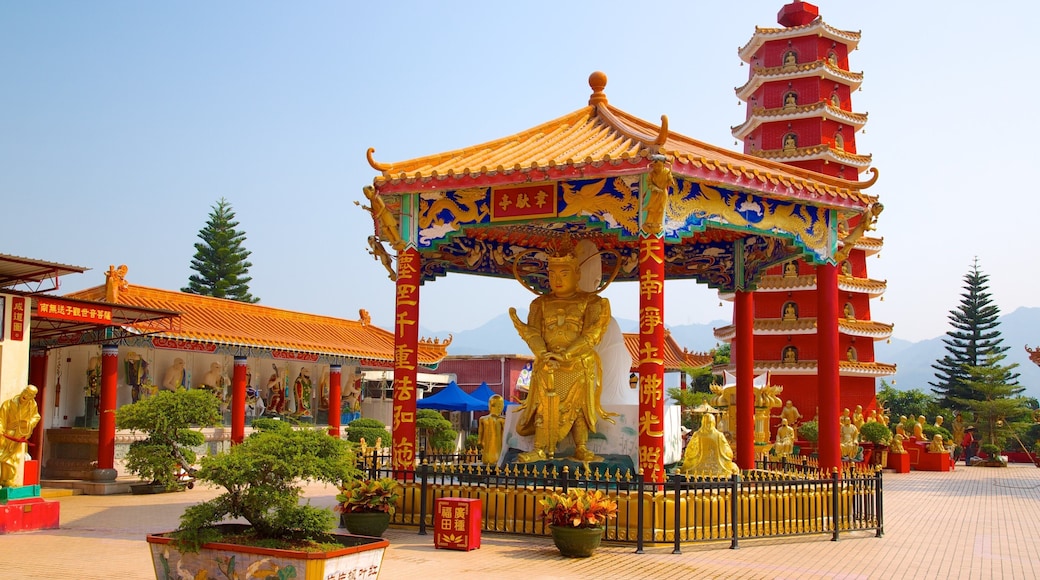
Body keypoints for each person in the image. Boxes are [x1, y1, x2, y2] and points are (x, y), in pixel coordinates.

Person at [509, 241, 615, 462]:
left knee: (578, 408)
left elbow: (592, 333)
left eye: (564, 273)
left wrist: (568, 354)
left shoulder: (592, 302)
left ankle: (582, 446)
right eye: (552, 274)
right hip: (547, 364)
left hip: (577, 363)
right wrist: (543, 352)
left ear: (577, 274)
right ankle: (539, 447)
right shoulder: (540, 303)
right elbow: (533, 332)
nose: (557, 280)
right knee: (541, 406)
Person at [0, 385, 42, 487]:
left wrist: (28, 424)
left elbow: (36, 417)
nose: (26, 395)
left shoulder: (32, 406)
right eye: (25, 391)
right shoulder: (9, 404)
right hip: (7, 435)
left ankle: (8, 480)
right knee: (3, 456)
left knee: (14, 459)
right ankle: (2, 479)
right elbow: (1, 419)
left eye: (30, 394)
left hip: (19, 435)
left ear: (33, 397)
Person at [478, 395, 507, 465]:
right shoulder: (503, 420)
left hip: (486, 455)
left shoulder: (482, 419)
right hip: (498, 455)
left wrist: (481, 443)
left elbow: (479, 440)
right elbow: (505, 438)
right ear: (500, 406)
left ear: (489, 405)